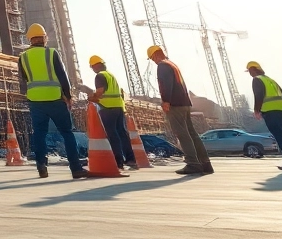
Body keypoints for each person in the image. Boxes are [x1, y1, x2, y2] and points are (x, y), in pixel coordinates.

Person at [19, 23, 89, 179]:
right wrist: (68, 97)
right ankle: (76, 168)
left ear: (30, 39)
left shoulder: (22, 57)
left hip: (35, 101)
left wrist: (30, 95)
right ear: (44, 38)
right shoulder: (51, 53)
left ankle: (41, 166)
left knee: (39, 134)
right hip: (55, 99)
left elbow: (23, 81)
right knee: (67, 133)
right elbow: (62, 76)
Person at [147, 46, 212, 175]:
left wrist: (166, 101)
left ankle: (193, 163)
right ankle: (205, 163)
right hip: (184, 103)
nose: (153, 61)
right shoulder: (172, 65)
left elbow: (166, 84)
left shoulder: (162, 65)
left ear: (155, 55)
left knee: (182, 134)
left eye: (152, 58)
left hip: (175, 104)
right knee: (192, 134)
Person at [86, 55, 136, 171]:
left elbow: (100, 92)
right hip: (119, 107)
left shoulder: (100, 76)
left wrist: (91, 98)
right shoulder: (110, 75)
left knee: (112, 134)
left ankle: (118, 161)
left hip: (107, 107)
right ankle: (131, 159)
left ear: (94, 66)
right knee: (122, 133)